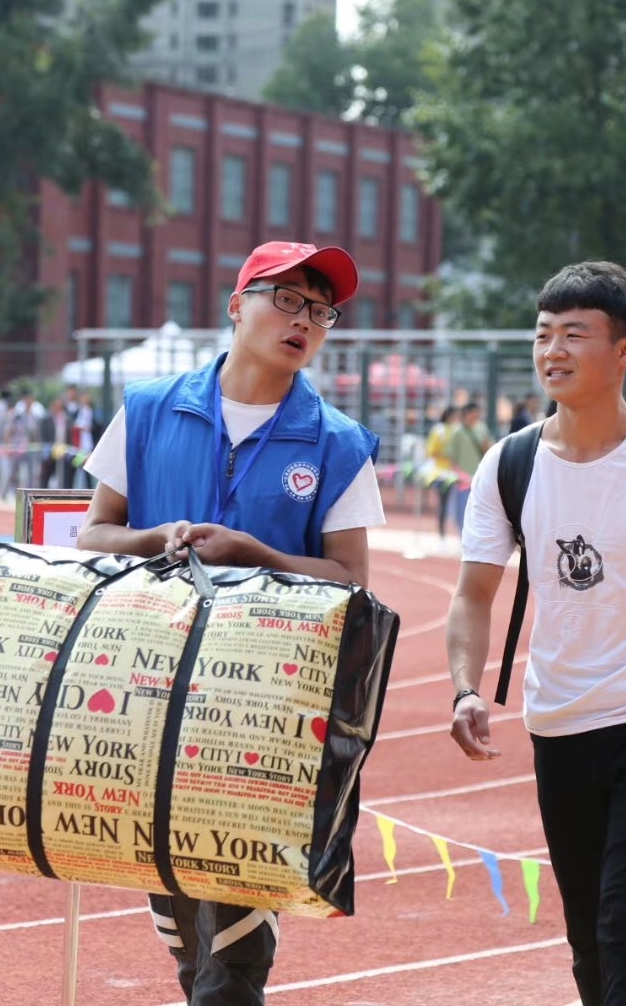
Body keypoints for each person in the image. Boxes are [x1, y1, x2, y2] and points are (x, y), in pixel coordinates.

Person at [77, 239, 383, 1006]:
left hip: (267, 706)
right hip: (149, 688)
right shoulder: (149, 409)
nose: (303, 320)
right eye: (285, 299)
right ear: (235, 305)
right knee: (174, 895)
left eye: (320, 310)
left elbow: (352, 579)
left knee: (237, 914)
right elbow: (95, 533)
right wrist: (158, 537)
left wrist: (254, 552)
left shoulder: (338, 443)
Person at [444, 261, 626, 1006]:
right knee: (586, 935)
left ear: (625, 351)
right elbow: (473, 593)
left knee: (625, 926)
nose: (553, 350)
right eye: (544, 334)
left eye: (575, 334)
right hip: (562, 722)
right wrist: (463, 690)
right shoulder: (508, 463)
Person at [446, 401, 493, 533]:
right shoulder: (458, 432)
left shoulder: (482, 428)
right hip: (463, 479)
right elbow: (452, 456)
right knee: (462, 510)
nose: (475, 416)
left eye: (477, 414)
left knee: (478, 511)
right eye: (473, 413)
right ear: (466, 414)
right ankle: (462, 536)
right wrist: (457, 474)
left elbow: (489, 449)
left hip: (479, 477)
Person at [426, 406, 458, 537]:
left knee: (456, 504)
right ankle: (442, 533)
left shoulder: (457, 429)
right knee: (443, 502)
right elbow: (431, 451)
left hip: (456, 472)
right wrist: (446, 454)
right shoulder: (438, 431)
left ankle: (454, 532)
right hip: (441, 472)